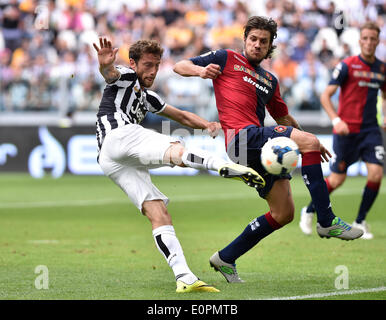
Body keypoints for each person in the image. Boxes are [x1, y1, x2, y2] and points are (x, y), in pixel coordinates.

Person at [173, 16, 363, 283]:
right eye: (253, 39)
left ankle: (226, 257)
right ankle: (326, 219)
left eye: (263, 41)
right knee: (307, 144)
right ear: (245, 39)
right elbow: (179, 65)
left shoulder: (270, 81)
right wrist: (200, 71)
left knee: (283, 213)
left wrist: (308, 140)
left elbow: (284, 119)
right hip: (240, 138)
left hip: (256, 147)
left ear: (270, 45)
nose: (257, 45)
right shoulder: (226, 58)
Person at [92, 37, 263, 292]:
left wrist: (206, 124)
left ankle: (184, 277)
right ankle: (223, 167)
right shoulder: (127, 76)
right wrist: (105, 65)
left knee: (157, 211)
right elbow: (110, 73)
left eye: (157, 65)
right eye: (147, 65)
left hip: (109, 160)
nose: (152, 71)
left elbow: (181, 115)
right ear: (133, 63)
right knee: (175, 151)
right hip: (118, 135)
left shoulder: (149, 97)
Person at [299, 22, 386, 240]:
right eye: (364, 38)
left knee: (376, 173)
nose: (368, 42)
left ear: (377, 41)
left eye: (372, 39)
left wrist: (384, 114)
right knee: (337, 180)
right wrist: (336, 120)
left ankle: (360, 221)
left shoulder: (382, 69)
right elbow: (325, 95)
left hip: (370, 131)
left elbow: (385, 95)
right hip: (345, 132)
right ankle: (309, 210)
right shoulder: (347, 65)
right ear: (360, 41)